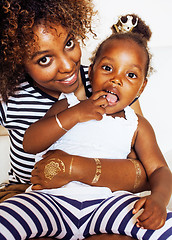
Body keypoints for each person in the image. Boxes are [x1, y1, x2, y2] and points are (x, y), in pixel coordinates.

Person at [0, 0, 148, 239]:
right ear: (16, 60)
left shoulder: (109, 81)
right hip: (30, 196)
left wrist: (74, 168)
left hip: (103, 199)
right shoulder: (10, 97)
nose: (68, 66)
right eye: (44, 60)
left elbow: (145, 173)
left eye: (69, 43)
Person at [22, 14, 172, 239]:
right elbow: (30, 143)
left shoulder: (137, 124)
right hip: (49, 200)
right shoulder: (69, 104)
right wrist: (75, 114)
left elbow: (159, 169)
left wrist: (159, 199)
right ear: (90, 72)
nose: (116, 80)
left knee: (165, 228)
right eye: (108, 68)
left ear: (141, 88)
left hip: (107, 204)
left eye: (130, 75)